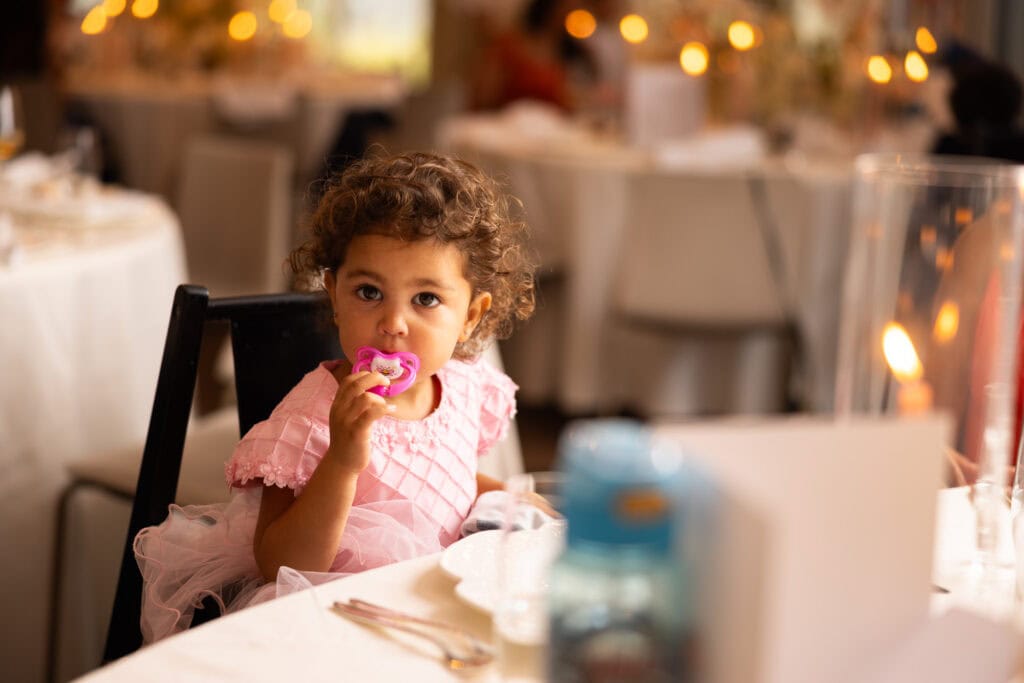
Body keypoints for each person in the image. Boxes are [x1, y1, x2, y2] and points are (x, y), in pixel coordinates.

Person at [134, 152, 538, 642]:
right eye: (369, 292)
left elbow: (445, 479)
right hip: (343, 618)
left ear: (471, 316)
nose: (393, 322)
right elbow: (281, 564)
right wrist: (343, 461)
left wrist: (511, 500)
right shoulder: (311, 418)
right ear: (334, 294)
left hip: (431, 604)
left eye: (426, 299)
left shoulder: (462, 386)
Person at [469, 0, 597, 112]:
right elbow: (483, 97)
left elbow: (568, 99)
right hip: (509, 129)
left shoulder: (567, 53)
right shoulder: (510, 45)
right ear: (550, 9)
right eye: (566, 11)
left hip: (551, 131)